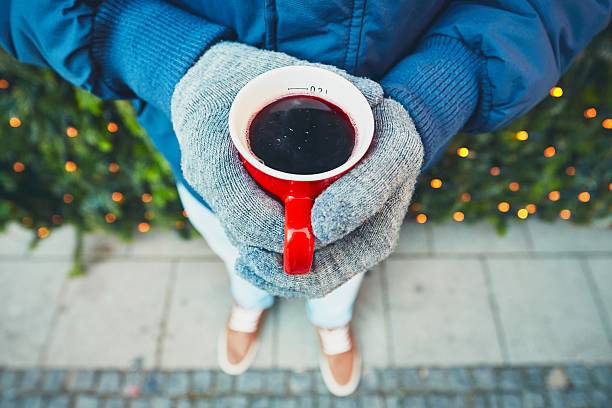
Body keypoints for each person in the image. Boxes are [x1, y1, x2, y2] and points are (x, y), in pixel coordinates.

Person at [1, 0, 609, 397]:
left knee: (345, 259)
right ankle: (250, 299)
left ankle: (331, 319)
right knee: (230, 244)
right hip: (194, 128)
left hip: (380, 123)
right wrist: (156, 50)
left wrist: (441, 84)